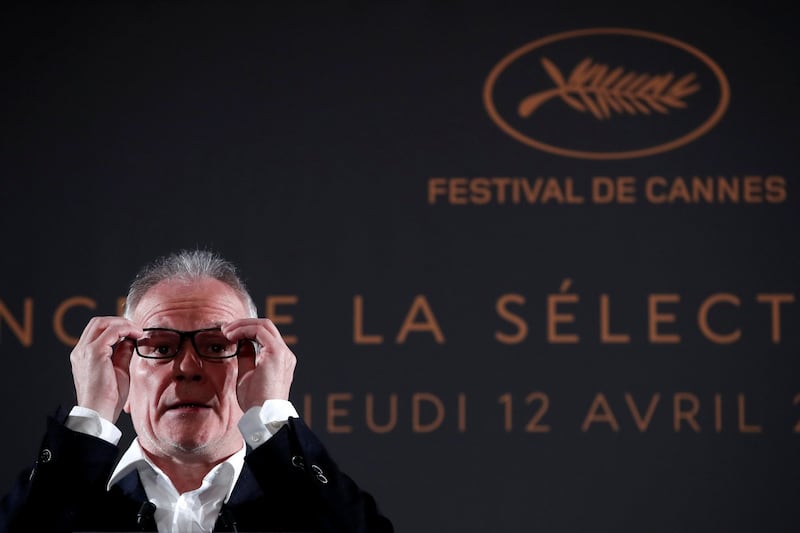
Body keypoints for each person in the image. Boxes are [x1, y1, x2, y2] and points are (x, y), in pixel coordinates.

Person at [0, 249, 394, 533]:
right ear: (123, 370)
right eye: (160, 347)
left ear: (254, 365)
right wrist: (92, 416)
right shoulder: (69, 503)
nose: (187, 368)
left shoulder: (305, 506)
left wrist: (273, 415)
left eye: (216, 346)